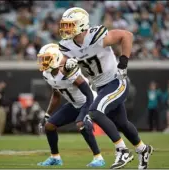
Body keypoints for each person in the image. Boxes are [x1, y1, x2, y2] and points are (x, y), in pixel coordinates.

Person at [58, 7, 153, 169]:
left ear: (81, 24)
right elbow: (62, 67)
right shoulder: (67, 45)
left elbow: (126, 35)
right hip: (100, 86)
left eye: (70, 25)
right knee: (122, 123)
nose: (66, 29)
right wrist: (67, 66)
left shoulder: (96, 36)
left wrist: (123, 62)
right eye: (65, 25)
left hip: (116, 81)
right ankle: (143, 149)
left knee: (94, 112)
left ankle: (122, 150)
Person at [36, 43, 105, 167]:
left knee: (81, 123)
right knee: (49, 126)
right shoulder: (47, 74)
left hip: (89, 101)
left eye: (46, 58)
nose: (43, 62)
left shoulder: (68, 70)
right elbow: (56, 95)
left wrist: (86, 115)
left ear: (56, 58)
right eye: (42, 59)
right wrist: (47, 114)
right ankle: (55, 158)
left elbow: (89, 94)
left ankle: (98, 158)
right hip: (74, 104)